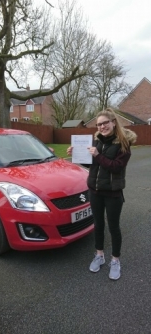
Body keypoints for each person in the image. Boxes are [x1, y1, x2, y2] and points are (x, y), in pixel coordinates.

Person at [67, 108, 137, 280]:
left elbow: (116, 167)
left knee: (113, 227)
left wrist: (97, 155)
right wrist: (76, 154)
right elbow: (93, 165)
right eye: (99, 124)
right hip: (95, 191)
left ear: (113, 122)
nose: (102, 126)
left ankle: (115, 260)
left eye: (105, 123)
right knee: (98, 224)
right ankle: (99, 255)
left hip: (113, 193)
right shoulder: (97, 142)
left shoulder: (123, 144)